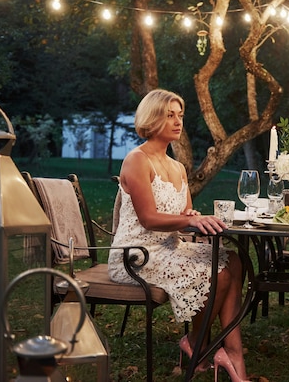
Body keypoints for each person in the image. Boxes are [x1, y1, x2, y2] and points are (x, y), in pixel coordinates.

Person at [108, 89, 249, 381]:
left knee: (233, 261)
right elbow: (148, 218)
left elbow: (183, 219)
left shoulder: (177, 167)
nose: (177, 122)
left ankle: (231, 352)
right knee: (218, 274)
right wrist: (191, 222)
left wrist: (195, 220)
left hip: (171, 247)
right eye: (169, 115)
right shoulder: (137, 160)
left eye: (180, 115)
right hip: (137, 254)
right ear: (151, 118)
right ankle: (198, 345)